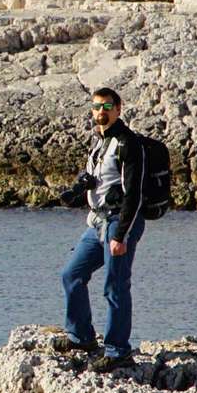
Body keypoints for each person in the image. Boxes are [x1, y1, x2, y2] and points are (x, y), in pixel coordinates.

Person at [57, 86, 146, 372]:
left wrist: (120, 236)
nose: (101, 112)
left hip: (118, 223)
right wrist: (76, 190)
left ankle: (118, 350)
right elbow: (97, 180)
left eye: (107, 107)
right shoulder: (100, 141)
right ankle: (81, 337)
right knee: (71, 274)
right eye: (96, 107)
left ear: (118, 109)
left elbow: (135, 195)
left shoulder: (127, 143)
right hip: (96, 222)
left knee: (115, 286)